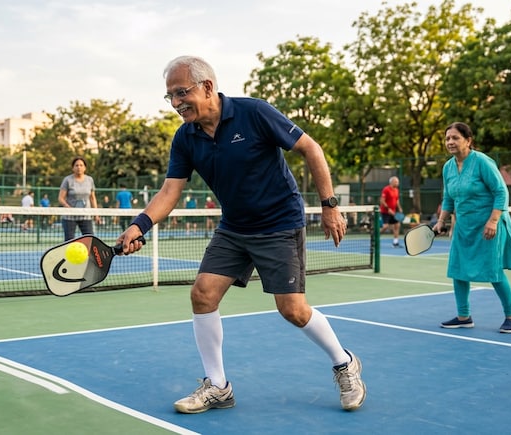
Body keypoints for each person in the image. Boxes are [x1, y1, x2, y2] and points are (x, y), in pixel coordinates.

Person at [117, 55, 365, 413]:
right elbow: (170, 190)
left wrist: (329, 205)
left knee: (292, 310)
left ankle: (345, 363)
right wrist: (139, 225)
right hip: (235, 227)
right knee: (202, 294)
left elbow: (311, 148)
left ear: (207, 87)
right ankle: (218, 386)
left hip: (279, 223)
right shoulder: (185, 138)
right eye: (170, 96)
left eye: (181, 92)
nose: (175, 103)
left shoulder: (254, 113)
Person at [432, 122, 511, 333]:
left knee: (492, 270)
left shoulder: (482, 162)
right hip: (464, 227)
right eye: (447, 138)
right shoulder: (448, 167)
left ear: (468, 140)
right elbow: (448, 197)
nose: (450, 142)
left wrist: (493, 221)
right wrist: (441, 221)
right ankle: (463, 316)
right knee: (458, 270)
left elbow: (501, 192)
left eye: (455, 138)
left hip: (489, 226)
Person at [58, 156, 101, 240]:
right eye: (76, 165)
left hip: (85, 216)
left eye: (81, 165)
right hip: (69, 217)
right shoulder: (67, 180)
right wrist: (69, 208)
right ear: (73, 168)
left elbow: (92, 198)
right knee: (69, 241)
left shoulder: (90, 180)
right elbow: (61, 198)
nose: (79, 167)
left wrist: (96, 214)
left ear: (85, 167)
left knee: (90, 240)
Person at [379, 176, 403, 247]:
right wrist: (388, 209)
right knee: (385, 226)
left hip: (393, 212)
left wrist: (400, 208)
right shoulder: (386, 189)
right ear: (392, 182)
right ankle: (376, 238)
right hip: (385, 211)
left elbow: (397, 200)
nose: (397, 183)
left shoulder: (396, 190)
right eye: (396, 182)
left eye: (398, 182)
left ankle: (395, 242)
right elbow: (382, 201)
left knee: (397, 225)